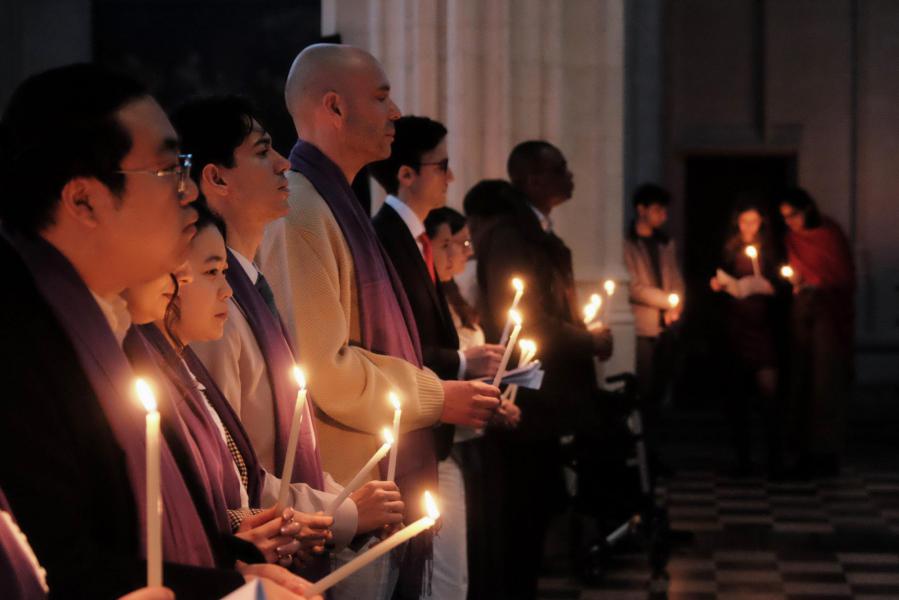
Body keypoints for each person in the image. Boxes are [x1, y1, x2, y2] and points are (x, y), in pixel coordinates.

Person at [0, 63, 313, 599]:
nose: (189, 193)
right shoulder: (19, 344)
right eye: (170, 170)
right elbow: (58, 566)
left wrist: (234, 574)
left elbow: (120, 543)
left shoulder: (101, 323)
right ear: (84, 201)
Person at [258, 44, 501, 599]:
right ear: (335, 108)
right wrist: (438, 395)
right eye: (382, 97)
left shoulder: (333, 201)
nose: (395, 113)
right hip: (345, 490)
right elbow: (325, 370)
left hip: (370, 477)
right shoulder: (301, 210)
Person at [172, 96, 406, 576]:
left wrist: (341, 501)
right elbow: (236, 476)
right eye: (263, 152)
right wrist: (342, 510)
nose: (283, 164)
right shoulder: (213, 309)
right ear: (215, 178)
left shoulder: (251, 287)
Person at [121, 210, 333, 576]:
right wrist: (242, 539)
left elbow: (239, 481)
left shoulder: (184, 365)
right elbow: (181, 504)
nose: (228, 290)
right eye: (210, 272)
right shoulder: (144, 371)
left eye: (224, 271)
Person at [368, 116, 506, 600]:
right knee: (433, 583)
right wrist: (465, 364)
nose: (450, 177)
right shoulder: (385, 236)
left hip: (433, 430)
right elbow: (392, 343)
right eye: (441, 165)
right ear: (405, 173)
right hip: (413, 432)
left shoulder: (414, 237)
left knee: (446, 580)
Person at [476, 140, 613, 599]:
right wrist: (585, 339)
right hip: (530, 400)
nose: (569, 176)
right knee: (522, 515)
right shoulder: (513, 236)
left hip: (549, 398)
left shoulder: (537, 231)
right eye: (561, 168)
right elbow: (523, 318)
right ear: (533, 179)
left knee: (537, 512)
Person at [424, 206, 521, 598]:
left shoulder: (456, 296)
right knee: (449, 563)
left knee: (477, 550)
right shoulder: (425, 299)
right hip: (444, 442)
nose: (462, 252)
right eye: (450, 243)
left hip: (474, 440)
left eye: (464, 243)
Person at [778, 187, 854, 478]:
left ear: (807, 209)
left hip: (829, 318)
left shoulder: (829, 234)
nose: (789, 222)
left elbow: (843, 276)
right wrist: (797, 281)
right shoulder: (791, 238)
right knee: (802, 383)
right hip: (803, 315)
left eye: (792, 216)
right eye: (784, 217)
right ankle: (804, 453)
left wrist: (818, 283)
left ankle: (825, 453)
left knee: (825, 386)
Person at [709, 201, 787, 476]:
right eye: (744, 222)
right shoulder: (728, 250)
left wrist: (772, 286)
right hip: (736, 327)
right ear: (737, 223)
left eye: (754, 222)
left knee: (769, 395)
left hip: (763, 328)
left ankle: (774, 458)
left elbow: (784, 281)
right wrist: (718, 284)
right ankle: (743, 459)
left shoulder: (772, 251)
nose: (749, 228)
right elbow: (717, 276)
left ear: (761, 224)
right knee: (737, 397)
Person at [623, 183, 684, 474]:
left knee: (660, 393)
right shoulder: (627, 243)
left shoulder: (664, 243)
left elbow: (675, 278)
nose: (663, 215)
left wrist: (676, 305)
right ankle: (642, 455)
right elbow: (632, 286)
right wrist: (665, 301)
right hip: (643, 326)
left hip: (666, 327)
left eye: (664, 210)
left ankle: (656, 452)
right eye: (657, 209)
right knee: (643, 392)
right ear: (641, 209)